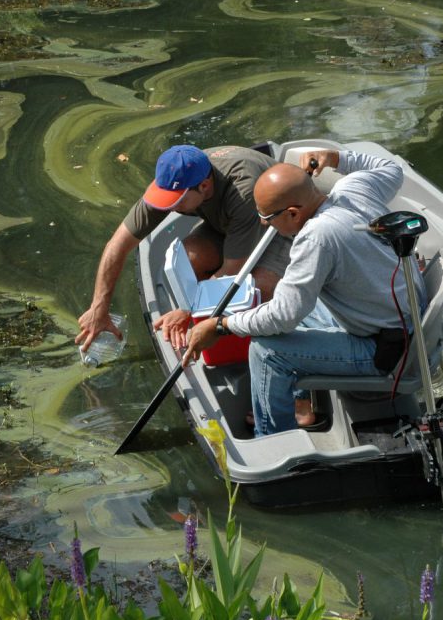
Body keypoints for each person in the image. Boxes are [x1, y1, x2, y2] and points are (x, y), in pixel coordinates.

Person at [182, 149, 426, 436]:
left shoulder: (316, 239)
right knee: (284, 305)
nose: (263, 223)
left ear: (293, 213)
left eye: (267, 217)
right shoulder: (351, 188)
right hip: (397, 318)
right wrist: (337, 158)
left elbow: (283, 317)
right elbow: (390, 167)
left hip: (385, 350)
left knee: (266, 351)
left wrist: (221, 325)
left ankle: (273, 439)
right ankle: (300, 405)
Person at [76, 144, 291, 353]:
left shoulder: (242, 191)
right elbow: (117, 246)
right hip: (226, 225)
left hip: (278, 228)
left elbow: (233, 271)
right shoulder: (174, 179)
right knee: (187, 262)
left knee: (259, 289)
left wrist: (186, 310)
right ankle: (207, 327)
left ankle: (250, 346)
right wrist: (99, 308)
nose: (167, 207)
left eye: (175, 201)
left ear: (205, 186)